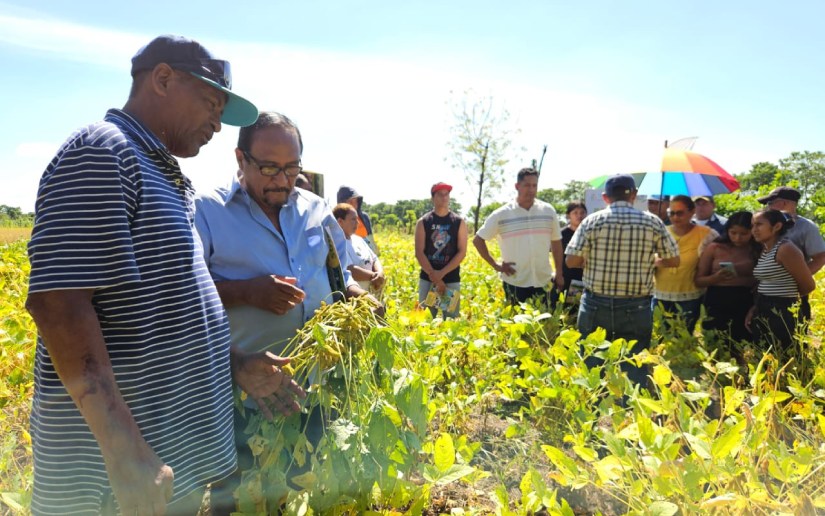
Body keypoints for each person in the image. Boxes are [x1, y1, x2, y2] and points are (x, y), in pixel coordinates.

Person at [24, 35, 304, 515]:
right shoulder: (104, 151)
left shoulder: (164, 175)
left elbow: (160, 310)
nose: (218, 124)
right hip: (112, 478)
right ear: (162, 79)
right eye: (211, 104)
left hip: (165, 465)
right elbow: (60, 304)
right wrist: (125, 453)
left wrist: (232, 363)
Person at [194, 112, 378, 512]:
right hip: (240, 390)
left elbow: (338, 272)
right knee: (236, 496)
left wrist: (356, 298)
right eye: (269, 168)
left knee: (297, 486)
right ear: (240, 159)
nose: (282, 179)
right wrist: (247, 292)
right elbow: (184, 295)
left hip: (311, 387)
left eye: (291, 168)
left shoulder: (316, 210)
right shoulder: (207, 211)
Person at [566, 174, 679, 387]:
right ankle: (630, 409)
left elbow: (571, 261)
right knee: (634, 361)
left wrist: (591, 259)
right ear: (634, 195)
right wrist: (650, 260)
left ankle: (593, 408)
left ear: (605, 197)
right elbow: (674, 259)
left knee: (592, 360)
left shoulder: (591, 221)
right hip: (636, 305)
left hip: (595, 303)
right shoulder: (652, 221)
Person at [473, 167, 564, 307]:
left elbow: (556, 244)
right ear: (517, 186)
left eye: (534, 185)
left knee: (546, 325)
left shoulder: (548, 211)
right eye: (527, 185)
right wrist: (495, 265)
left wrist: (559, 272)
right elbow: (478, 240)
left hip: (544, 280)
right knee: (516, 326)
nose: (531, 189)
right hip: (515, 281)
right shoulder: (502, 214)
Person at [745, 209, 816, 351]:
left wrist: (785, 301)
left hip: (783, 310)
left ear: (776, 226)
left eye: (759, 224)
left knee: (786, 355)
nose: (754, 230)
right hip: (764, 306)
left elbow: (808, 285)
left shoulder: (785, 249)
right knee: (766, 356)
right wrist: (756, 308)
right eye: (752, 225)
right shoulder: (766, 250)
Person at [757, 186, 825, 321]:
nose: (767, 207)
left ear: (783, 204)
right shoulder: (763, 224)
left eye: (770, 203)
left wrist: (798, 277)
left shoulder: (805, 227)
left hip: (791, 293)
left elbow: (821, 257)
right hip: (764, 289)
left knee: (792, 334)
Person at [652, 195, 718, 332]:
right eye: (672, 213)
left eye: (680, 213)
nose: (675, 217)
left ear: (692, 211)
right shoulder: (661, 232)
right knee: (659, 339)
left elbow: (718, 258)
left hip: (690, 297)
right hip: (660, 296)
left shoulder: (707, 234)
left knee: (684, 338)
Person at [695, 211, 760, 344]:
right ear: (727, 230)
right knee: (715, 342)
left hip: (746, 301)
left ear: (752, 231)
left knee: (741, 342)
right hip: (717, 300)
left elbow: (763, 278)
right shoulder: (715, 248)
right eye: (733, 233)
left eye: (744, 234)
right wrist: (715, 278)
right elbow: (698, 280)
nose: (737, 238)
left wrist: (745, 280)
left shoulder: (757, 249)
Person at [414, 182, 468, 318]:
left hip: (451, 280)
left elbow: (462, 252)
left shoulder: (458, 222)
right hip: (428, 279)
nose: (444, 198)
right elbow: (419, 252)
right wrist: (436, 278)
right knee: (425, 320)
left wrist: (442, 274)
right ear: (432, 198)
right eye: (440, 194)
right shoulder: (423, 222)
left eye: (447, 194)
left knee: (451, 320)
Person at [334, 202, 385, 293]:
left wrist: (380, 273)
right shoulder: (337, 244)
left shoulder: (358, 239)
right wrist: (374, 277)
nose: (357, 223)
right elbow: (349, 269)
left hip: (371, 293)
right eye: (353, 219)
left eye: (357, 219)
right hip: (355, 297)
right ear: (340, 222)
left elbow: (374, 258)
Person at [337, 185, 379, 255]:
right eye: (350, 202)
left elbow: (370, 238)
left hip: (368, 254)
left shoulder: (364, 217)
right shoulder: (337, 220)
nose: (353, 205)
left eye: (355, 201)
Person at [560, 200, 587, 295]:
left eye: (582, 213)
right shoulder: (561, 234)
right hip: (566, 277)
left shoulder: (589, 232)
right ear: (568, 215)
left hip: (585, 279)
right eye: (575, 213)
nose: (579, 216)